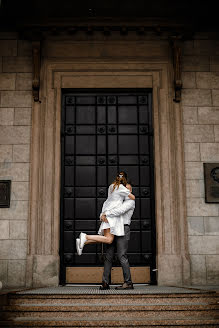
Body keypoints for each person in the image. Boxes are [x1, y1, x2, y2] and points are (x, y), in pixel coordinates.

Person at [76, 171, 135, 256]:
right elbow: (132, 197)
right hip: (111, 217)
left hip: (108, 215)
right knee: (108, 240)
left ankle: (84, 241)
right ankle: (85, 237)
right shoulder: (121, 188)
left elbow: (106, 202)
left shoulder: (111, 187)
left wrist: (103, 214)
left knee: (108, 239)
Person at [99, 183, 135, 290]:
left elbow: (120, 211)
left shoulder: (130, 202)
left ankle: (128, 283)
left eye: (128, 190)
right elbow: (105, 210)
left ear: (131, 191)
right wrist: (103, 215)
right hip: (112, 228)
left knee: (122, 256)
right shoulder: (116, 200)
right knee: (108, 256)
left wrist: (106, 214)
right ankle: (105, 282)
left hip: (123, 229)